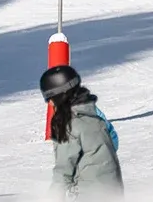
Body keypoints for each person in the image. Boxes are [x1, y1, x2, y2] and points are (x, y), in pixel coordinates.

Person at [40, 65, 122, 195]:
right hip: (113, 193)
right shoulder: (95, 117)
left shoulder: (69, 125)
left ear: (60, 97)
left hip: (86, 198)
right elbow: (113, 141)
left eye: (50, 98)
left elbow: (63, 171)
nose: (50, 103)